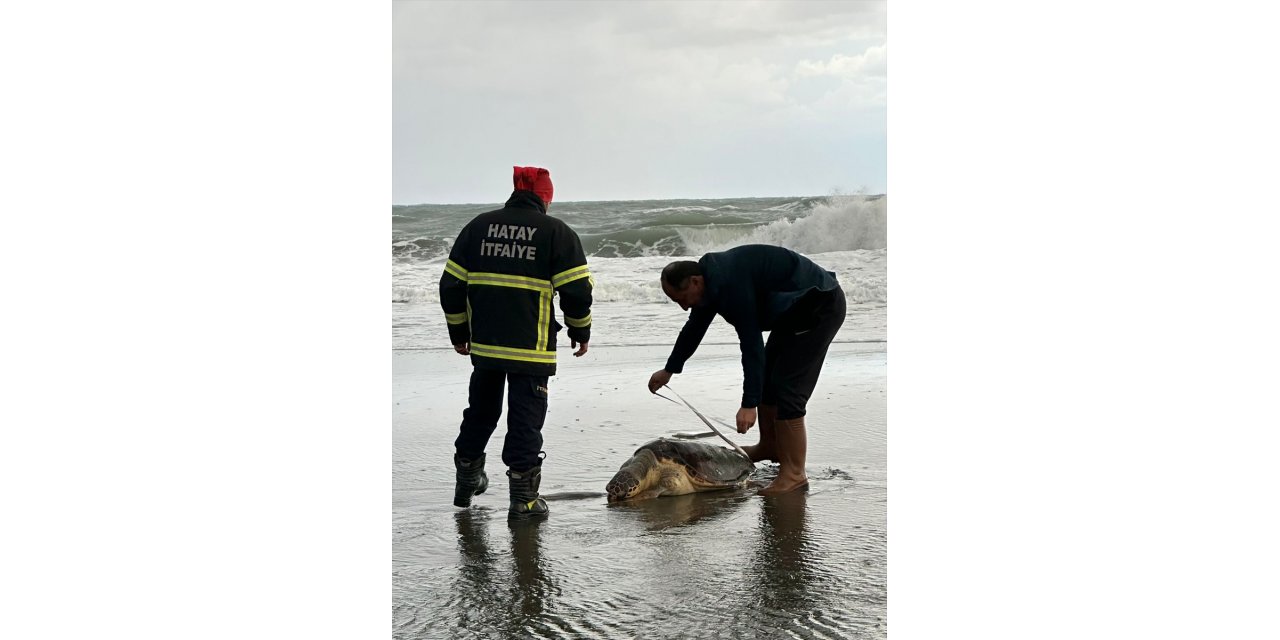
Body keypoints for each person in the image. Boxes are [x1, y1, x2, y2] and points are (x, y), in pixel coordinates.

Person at [440, 166, 593, 519]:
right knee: (525, 420)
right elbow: (577, 291)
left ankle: (467, 479)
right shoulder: (557, 232)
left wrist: (460, 333)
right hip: (531, 346)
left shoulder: (478, 227)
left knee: (481, 411)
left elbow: (450, 286)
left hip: (486, 346)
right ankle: (523, 501)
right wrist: (579, 330)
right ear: (546, 197)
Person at [647, 245, 845, 496]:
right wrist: (669, 370)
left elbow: (751, 344)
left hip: (819, 307)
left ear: (695, 281)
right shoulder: (710, 284)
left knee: (788, 390)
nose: (684, 307)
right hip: (791, 313)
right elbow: (693, 328)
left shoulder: (730, 284)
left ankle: (794, 474)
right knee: (768, 381)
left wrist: (749, 404)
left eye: (681, 299)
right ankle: (770, 445)